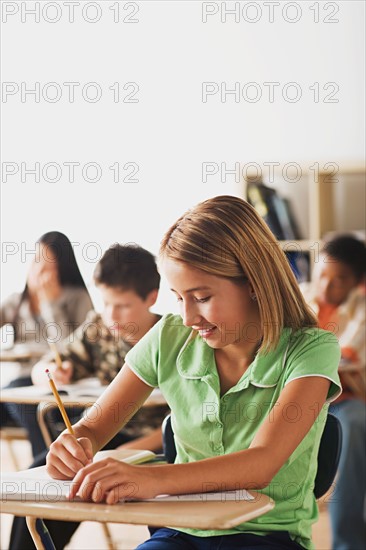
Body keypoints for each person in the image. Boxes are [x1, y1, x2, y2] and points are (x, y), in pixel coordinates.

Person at [34, 196, 341, 550]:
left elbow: (261, 464)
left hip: (267, 534)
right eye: (178, 298)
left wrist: (149, 479)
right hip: (182, 532)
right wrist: (76, 444)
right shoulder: (169, 336)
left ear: (254, 282)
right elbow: (95, 426)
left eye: (202, 296)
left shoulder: (312, 349)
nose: (189, 317)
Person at [8, 243, 169, 550]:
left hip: (150, 442)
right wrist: (51, 371)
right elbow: (44, 367)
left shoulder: (168, 338)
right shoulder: (99, 328)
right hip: (97, 436)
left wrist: (132, 451)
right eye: (105, 303)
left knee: (86, 479)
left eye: (121, 306)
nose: (111, 315)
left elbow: (180, 421)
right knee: (40, 481)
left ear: (151, 298)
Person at [301, 235, 366, 550]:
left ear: (357, 283)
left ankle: (348, 543)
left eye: (339, 280)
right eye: (322, 276)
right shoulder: (297, 302)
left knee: (353, 424)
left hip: (346, 403)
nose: (327, 287)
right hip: (299, 398)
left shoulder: (361, 313)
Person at [0, 231, 93, 437]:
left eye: (48, 268)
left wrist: (50, 305)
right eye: (35, 263)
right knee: (14, 395)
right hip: (24, 380)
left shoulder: (77, 298)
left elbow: (72, 347)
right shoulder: (16, 301)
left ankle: (43, 458)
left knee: (22, 401)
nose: (38, 272)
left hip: (61, 383)